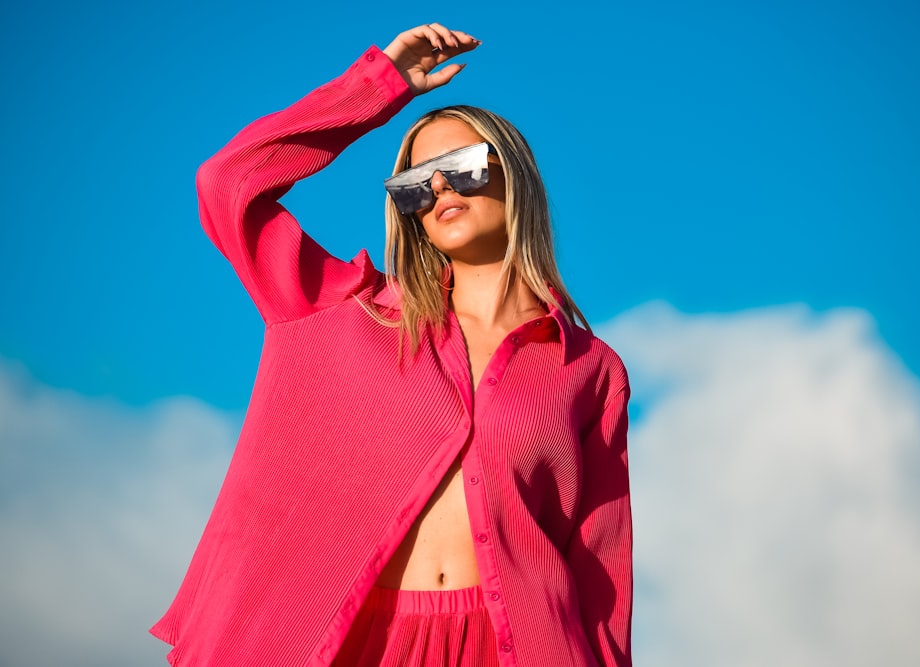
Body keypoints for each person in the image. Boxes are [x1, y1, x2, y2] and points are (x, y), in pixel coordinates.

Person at [150, 23, 632, 667]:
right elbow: (227, 186)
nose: (437, 191)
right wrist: (376, 89)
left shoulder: (587, 368)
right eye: (415, 185)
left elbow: (600, 566)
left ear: (512, 174)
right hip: (354, 643)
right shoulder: (342, 311)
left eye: (459, 168)